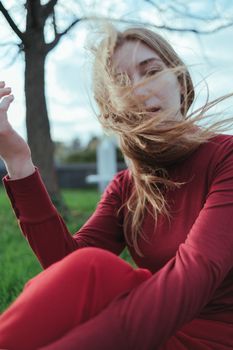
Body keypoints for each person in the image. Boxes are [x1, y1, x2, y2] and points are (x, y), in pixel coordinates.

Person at [0, 24, 233, 350]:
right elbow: (65, 271)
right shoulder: (126, 186)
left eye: (150, 71)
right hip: (156, 327)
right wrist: (18, 160)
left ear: (180, 82)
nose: (138, 91)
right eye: (121, 83)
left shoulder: (226, 157)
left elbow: (195, 275)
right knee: (91, 266)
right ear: (113, 108)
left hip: (215, 337)